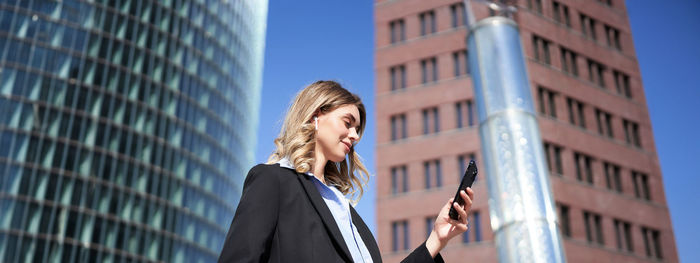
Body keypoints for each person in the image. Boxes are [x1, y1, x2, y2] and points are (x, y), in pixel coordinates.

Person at [218, 80, 475, 262]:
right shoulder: (272, 180)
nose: (354, 135)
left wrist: (436, 239)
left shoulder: (345, 211)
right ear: (315, 116)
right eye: (348, 123)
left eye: (357, 129)